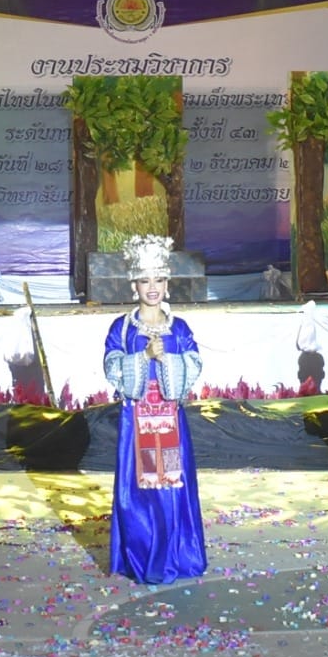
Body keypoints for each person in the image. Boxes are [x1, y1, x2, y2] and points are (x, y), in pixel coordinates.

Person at [101, 234, 207, 584]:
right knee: (140, 492)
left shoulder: (180, 328)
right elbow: (112, 367)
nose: (152, 288)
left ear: (167, 284)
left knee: (171, 487)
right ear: (134, 285)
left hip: (170, 420)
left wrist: (167, 361)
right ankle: (143, 557)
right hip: (136, 420)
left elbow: (193, 365)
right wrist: (144, 356)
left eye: (158, 280)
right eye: (145, 280)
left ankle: (175, 555)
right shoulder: (122, 328)